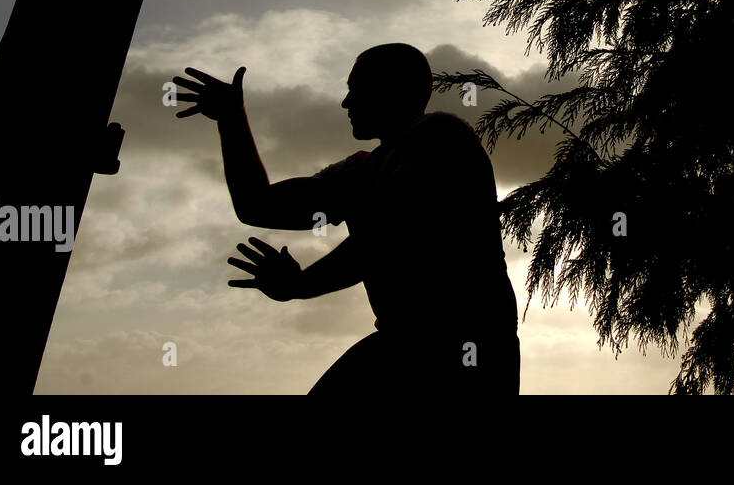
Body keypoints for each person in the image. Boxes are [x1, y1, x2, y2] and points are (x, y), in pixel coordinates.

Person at [174, 43, 519, 395]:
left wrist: (300, 286)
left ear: (393, 90)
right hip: (404, 345)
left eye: (357, 90)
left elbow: (386, 238)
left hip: (466, 348)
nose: (346, 102)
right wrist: (231, 119)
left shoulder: (442, 138)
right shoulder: (361, 172)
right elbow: (258, 206)